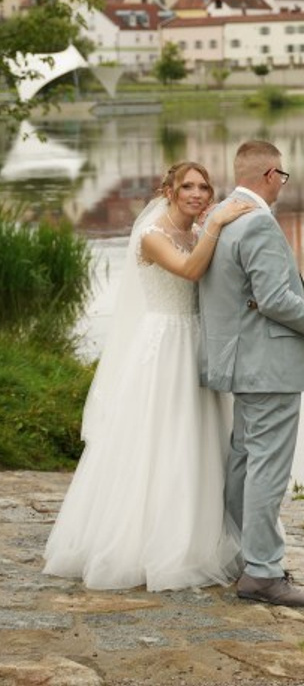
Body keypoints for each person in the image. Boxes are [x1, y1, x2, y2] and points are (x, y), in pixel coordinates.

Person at [43, 162, 256, 590]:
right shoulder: (152, 235)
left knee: (199, 438)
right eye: (187, 186)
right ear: (168, 191)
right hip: (164, 347)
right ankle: (145, 544)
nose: (196, 193)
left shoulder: (198, 233)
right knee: (161, 438)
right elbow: (191, 271)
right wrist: (218, 223)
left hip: (196, 344)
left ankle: (203, 536)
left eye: (203, 187)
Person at [199, 139, 304, 608]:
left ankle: (245, 556)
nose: (283, 184)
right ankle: (263, 573)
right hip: (268, 366)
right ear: (270, 175)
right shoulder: (258, 223)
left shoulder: (220, 216)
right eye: (282, 176)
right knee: (267, 468)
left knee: (245, 461)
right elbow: (275, 300)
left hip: (240, 361)